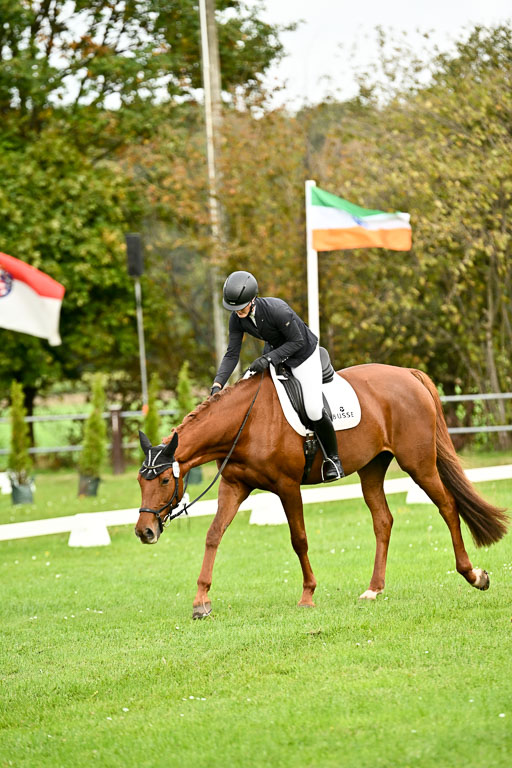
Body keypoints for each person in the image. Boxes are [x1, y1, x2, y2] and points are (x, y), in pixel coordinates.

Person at [211, 270, 344, 482]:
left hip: (303, 355)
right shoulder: (237, 318)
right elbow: (232, 353)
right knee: (248, 390)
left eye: (241, 307)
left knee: (312, 408)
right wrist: (218, 384)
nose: (237, 312)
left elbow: (297, 341)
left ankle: (333, 459)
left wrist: (269, 359)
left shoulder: (277, 309)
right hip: (276, 354)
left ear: (253, 299)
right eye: (233, 309)